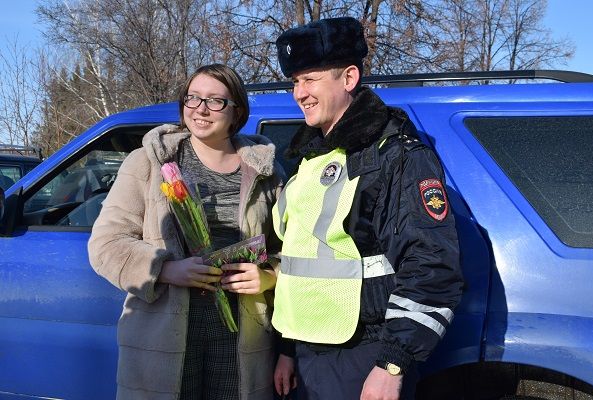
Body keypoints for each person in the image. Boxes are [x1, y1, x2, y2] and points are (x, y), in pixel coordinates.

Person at [271, 17, 464, 400]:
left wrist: (392, 364)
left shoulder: (394, 155)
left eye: (310, 79)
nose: (299, 92)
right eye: (295, 81)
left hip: (364, 355)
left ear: (348, 78)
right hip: (310, 354)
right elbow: (301, 262)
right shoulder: (310, 160)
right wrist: (288, 349)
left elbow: (432, 266)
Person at [88, 63, 285, 400]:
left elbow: (296, 249)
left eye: (215, 101)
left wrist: (270, 276)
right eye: (192, 98)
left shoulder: (266, 171)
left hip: (242, 336)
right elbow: (106, 244)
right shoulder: (149, 162)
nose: (201, 109)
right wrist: (165, 269)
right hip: (163, 336)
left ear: (237, 110)